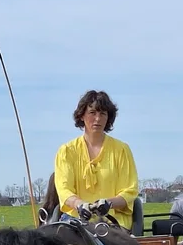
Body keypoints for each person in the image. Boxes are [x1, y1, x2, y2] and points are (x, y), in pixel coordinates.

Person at [53, 90, 139, 231]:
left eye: (103, 114)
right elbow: (64, 189)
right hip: (75, 222)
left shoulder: (122, 150)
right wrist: (79, 204)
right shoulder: (66, 151)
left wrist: (109, 203)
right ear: (82, 116)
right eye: (92, 113)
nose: (98, 119)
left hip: (113, 223)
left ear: (108, 118)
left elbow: (130, 190)